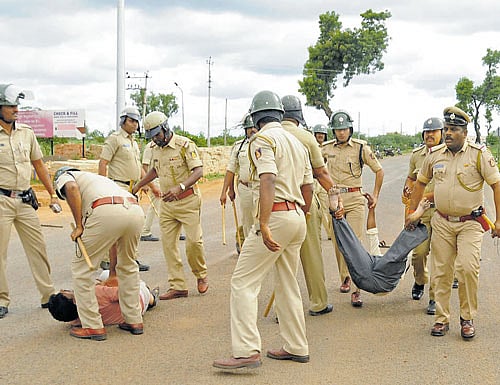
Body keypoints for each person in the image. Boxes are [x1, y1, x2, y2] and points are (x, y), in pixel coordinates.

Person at [213, 90, 314, 370]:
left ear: (256, 118)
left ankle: (246, 350)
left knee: (243, 282)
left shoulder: (263, 140)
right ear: (280, 115)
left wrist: (265, 222)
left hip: (277, 217)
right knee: (287, 283)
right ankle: (296, 345)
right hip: (296, 216)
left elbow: (267, 177)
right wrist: (299, 215)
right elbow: (308, 187)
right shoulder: (297, 144)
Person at [405, 106, 500, 339]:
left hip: (471, 222)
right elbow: (419, 183)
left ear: (464, 132)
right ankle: (441, 319)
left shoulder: (478, 154)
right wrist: (413, 212)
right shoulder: (434, 155)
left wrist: (499, 220)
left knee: (467, 268)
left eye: (454, 129)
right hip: (442, 222)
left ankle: (467, 318)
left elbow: (496, 184)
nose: (448, 133)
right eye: (446, 129)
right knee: (441, 272)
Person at [53, 167, 145, 340]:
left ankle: (92, 326)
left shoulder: (65, 176)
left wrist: (79, 225)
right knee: (128, 265)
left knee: (82, 270)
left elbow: (71, 188)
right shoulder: (96, 179)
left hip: (105, 210)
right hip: (134, 210)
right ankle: (134, 319)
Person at [132, 111, 208, 300]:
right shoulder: (155, 148)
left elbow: (198, 171)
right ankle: (178, 285)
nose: (155, 140)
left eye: (157, 135)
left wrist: (180, 187)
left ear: (165, 128)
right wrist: (139, 185)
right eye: (152, 137)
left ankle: (201, 275)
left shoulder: (184, 145)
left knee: (193, 243)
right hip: (167, 205)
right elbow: (155, 170)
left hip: (188, 201)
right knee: (168, 245)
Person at [280, 95, 343, 316]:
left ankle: (283, 310)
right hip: (304, 203)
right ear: (298, 115)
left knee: (282, 261)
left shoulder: (267, 137)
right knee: (311, 255)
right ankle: (318, 303)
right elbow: (321, 172)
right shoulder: (306, 138)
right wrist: (336, 198)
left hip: (276, 206)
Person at [0, 84, 58, 319]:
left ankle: (48, 295)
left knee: (38, 248)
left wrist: (52, 194)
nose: (16, 110)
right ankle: (2, 300)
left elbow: (39, 165)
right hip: (1, 201)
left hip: (25, 199)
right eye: (11, 106)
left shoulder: (26, 132)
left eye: (17, 106)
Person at [322, 110, 384, 307]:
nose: (341, 133)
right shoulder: (325, 149)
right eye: (338, 129)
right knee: (338, 242)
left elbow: (379, 170)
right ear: (333, 131)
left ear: (350, 129)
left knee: (355, 243)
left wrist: (375, 195)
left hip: (355, 198)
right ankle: (345, 277)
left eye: (345, 129)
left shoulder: (360, 148)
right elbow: (315, 169)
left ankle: (357, 288)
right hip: (334, 198)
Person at [332, 189, 429, 294]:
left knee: (399, 252)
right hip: (368, 272)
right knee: (354, 247)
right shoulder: (378, 257)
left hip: (384, 282)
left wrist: (411, 205)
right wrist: (371, 209)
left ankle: (415, 219)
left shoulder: (399, 255)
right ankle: (337, 216)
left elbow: (406, 235)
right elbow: (372, 232)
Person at [98, 106, 152, 272]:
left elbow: (137, 166)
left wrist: (147, 184)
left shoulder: (133, 142)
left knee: (134, 225)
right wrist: (103, 186)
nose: (135, 124)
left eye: (137, 121)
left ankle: (131, 258)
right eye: (131, 120)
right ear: (123, 121)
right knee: (116, 224)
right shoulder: (115, 139)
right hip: (117, 186)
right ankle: (107, 259)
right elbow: (103, 162)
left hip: (133, 188)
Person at [402, 117, 443, 315]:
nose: (430, 135)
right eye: (427, 132)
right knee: (418, 253)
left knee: (439, 257)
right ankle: (419, 281)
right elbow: (411, 178)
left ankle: (435, 298)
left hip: (443, 211)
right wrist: (408, 190)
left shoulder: (447, 155)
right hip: (421, 212)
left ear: (442, 134)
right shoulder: (417, 155)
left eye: (434, 131)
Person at [48, 270, 159, 327]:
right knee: (106, 274)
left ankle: (150, 298)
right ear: (74, 300)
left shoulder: (76, 321)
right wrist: (104, 286)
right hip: (137, 303)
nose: (63, 289)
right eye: (63, 293)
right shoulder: (95, 293)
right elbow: (127, 293)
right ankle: (150, 297)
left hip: (136, 313)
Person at [220, 113, 258, 253]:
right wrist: (227, 190)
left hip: (262, 188)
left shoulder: (265, 143)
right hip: (245, 187)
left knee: (262, 219)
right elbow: (231, 170)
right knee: (248, 220)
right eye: (249, 128)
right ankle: (249, 250)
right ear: (245, 130)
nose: (252, 130)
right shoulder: (238, 147)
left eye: (254, 127)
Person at [312, 123, 334, 240]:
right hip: (314, 181)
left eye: (322, 134)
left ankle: (330, 232)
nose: (320, 136)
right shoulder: (311, 146)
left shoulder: (328, 148)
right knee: (316, 209)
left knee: (326, 208)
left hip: (324, 182)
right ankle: (318, 233)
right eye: (318, 134)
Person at [139, 139, 161, 242]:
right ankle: (145, 231)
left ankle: (173, 230)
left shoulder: (161, 145)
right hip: (154, 180)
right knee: (155, 206)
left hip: (162, 179)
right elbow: (145, 165)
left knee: (167, 206)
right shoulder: (150, 147)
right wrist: (146, 183)